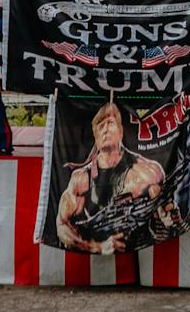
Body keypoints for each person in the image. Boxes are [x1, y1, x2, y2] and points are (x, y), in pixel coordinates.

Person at [54, 99, 163, 253]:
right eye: (100, 126)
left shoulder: (145, 171)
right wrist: (96, 247)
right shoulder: (81, 179)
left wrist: (166, 218)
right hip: (93, 263)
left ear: (121, 131)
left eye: (110, 123)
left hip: (142, 256)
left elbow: (163, 217)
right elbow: (61, 225)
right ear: (95, 136)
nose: (105, 130)